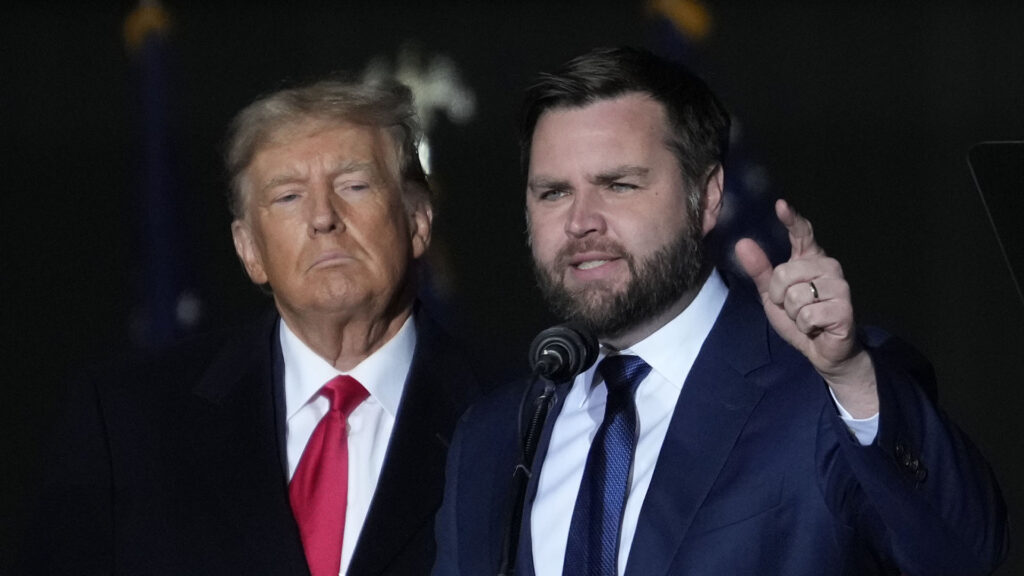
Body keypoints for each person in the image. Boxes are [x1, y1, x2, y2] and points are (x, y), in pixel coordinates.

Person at [433, 46, 1008, 576]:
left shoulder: (825, 392)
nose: (582, 221)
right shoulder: (491, 438)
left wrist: (851, 378)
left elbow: (964, 553)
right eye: (553, 192)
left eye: (619, 185)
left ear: (706, 197)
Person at [19, 76, 481, 575]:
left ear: (417, 223)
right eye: (288, 197)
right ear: (250, 251)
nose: (324, 217)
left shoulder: (516, 415)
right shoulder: (127, 421)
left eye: (354, 185)